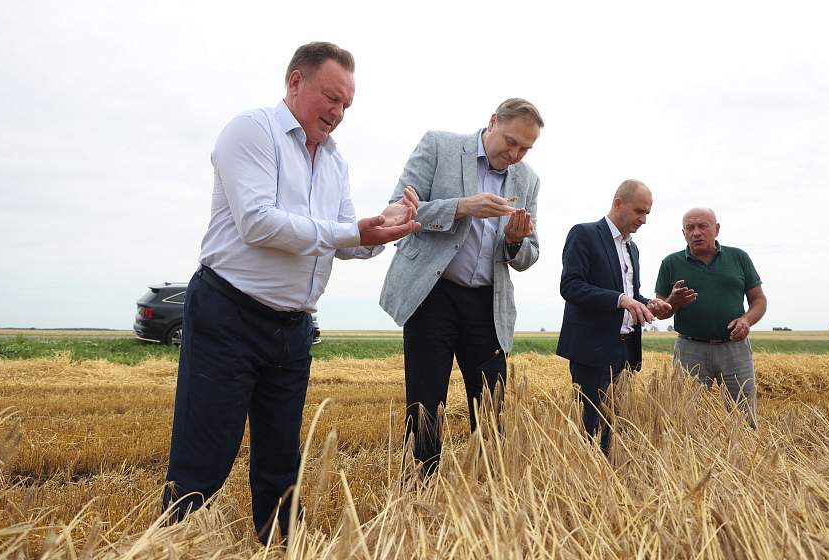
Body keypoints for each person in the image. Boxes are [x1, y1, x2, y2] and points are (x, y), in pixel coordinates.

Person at [161, 42, 419, 544]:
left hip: (294, 328)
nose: (338, 113)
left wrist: (387, 230)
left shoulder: (335, 162)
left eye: (346, 105)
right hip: (229, 314)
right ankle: (168, 546)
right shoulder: (251, 131)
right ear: (295, 82)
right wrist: (353, 233)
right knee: (205, 453)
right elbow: (259, 223)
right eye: (331, 97)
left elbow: (345, 238)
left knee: (282, 461)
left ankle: (282, 547)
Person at [379, 98, 544, 474]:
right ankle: (422, 485)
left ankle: (487, 490)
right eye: (511, 141)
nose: (515, 153)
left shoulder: (528, 179)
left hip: (488, 303)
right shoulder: (439, 146)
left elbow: (529, 254)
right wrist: (462, 206)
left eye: (525, 148)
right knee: (425, 399)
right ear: (492, 122)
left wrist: (517, 242)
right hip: (432, 294)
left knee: (491, 404)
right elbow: (397, 211)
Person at [556, 180, 670, 453]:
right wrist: (621, 300)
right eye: (638, 211)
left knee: (614, 426)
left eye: (647, 214)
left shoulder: (633, 248)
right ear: (618, 203)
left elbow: (631, 294)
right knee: (589, 427)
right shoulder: (584, 234)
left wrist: (649, 304)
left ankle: (609, 482)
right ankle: (586, 482)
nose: (643, 220)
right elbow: (570, 286)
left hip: (625, 349)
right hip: (592, 349)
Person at [653, 207, 766, 428]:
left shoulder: (738, 257)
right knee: (686, 416)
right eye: (690, 228)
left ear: (716, 229)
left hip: (734, 348)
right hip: (690, 349)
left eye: (702, 226)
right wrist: (673, 301)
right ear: (683, 233)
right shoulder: (671, 263)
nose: (696, 232)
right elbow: (661, 311)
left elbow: (759, 300)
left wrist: (746, 321)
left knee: (744, 416)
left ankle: (744, 458)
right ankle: (692, 461)